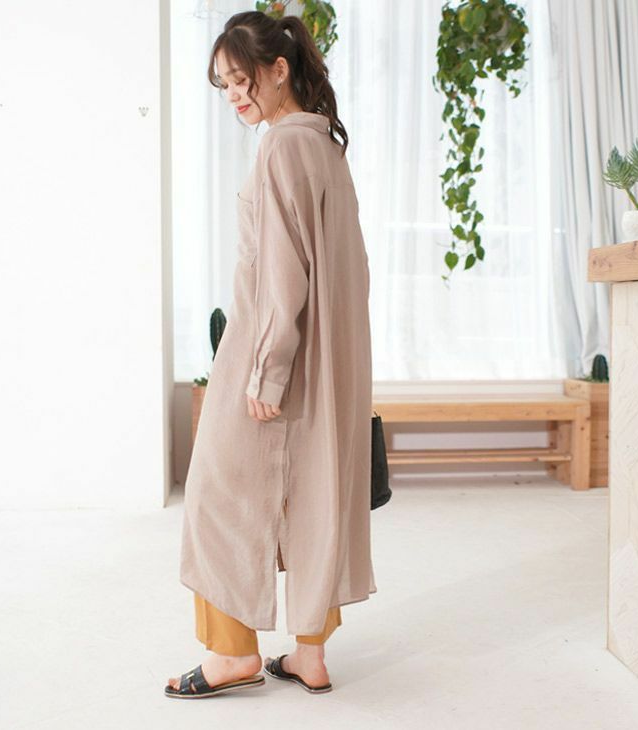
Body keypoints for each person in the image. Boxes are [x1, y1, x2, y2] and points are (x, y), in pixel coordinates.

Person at [165, 10, 376, 699]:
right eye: (223, 85)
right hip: (330, 356)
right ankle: (310, 655)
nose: (233, 95)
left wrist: (267, 371)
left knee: (214, 493)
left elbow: (282, 273)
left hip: (273, 350)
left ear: (278, 70)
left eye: (241, 79)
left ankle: (232, 655)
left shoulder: (281, 147)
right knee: (317, 494)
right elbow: (348, 268)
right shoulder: (325, 145)